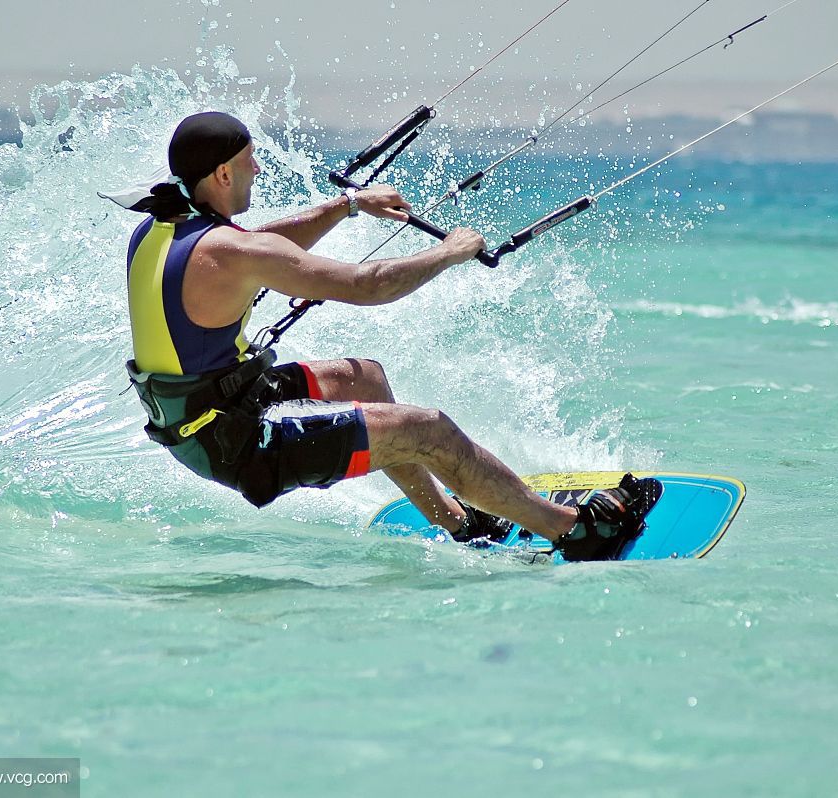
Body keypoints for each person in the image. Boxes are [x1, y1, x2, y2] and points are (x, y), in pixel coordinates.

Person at [103, 111, 660, 561]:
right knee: (430, 431)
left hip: (204, 411)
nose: (256, 173)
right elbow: (368, 286)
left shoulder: (163, 228)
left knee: (364, 378)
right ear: (223, 174)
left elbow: (259, 240)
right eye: (249, 164)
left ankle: (456, 520)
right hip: (235, 444)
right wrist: (451, 250)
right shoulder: (235, 252)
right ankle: (577, 533)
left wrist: (349, 205)